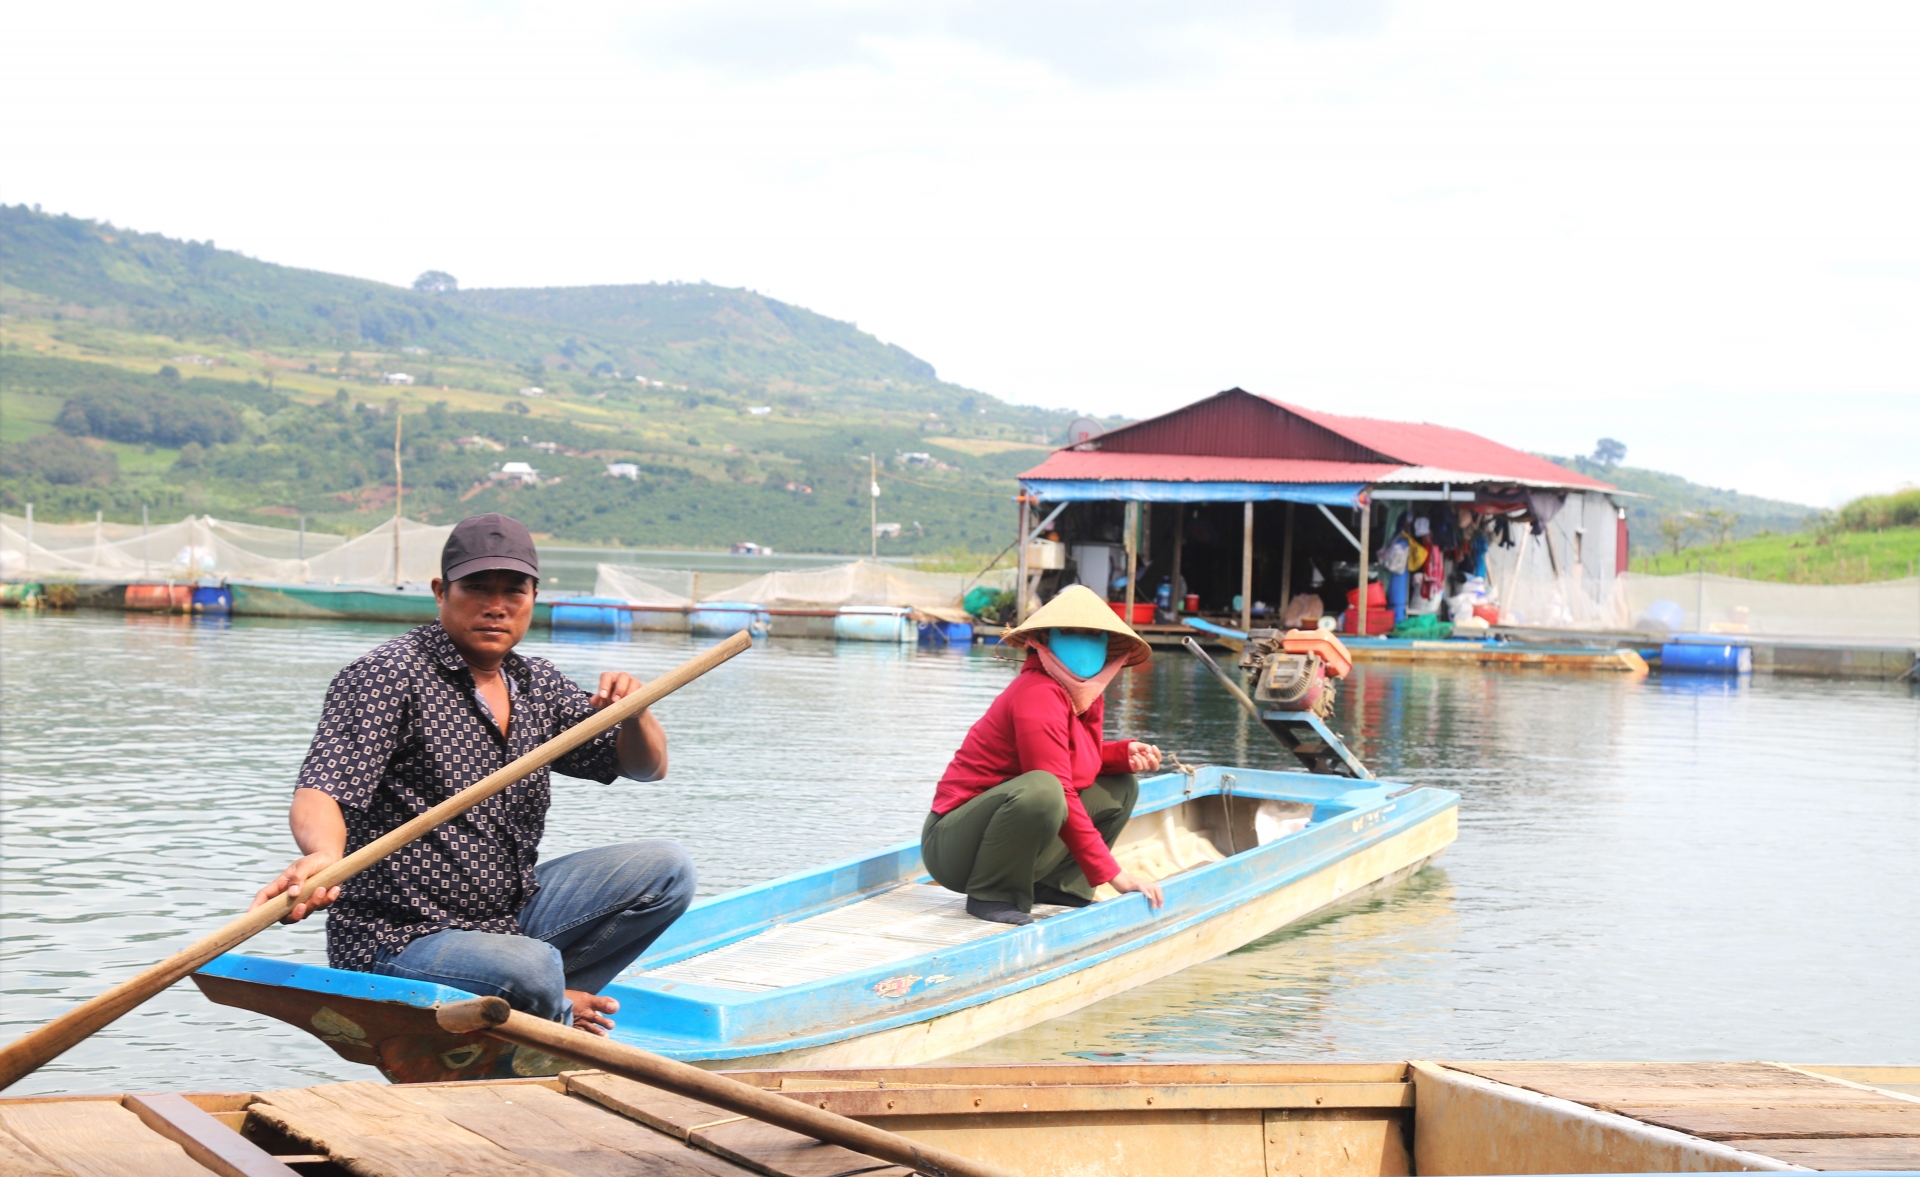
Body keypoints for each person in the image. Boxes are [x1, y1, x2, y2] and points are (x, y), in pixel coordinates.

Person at [250, 513, 693, 1036]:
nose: (496, 606)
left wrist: (636, 712)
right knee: (530, 967)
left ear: (533, 598)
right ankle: (553, 1003)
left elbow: (648, 767)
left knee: (667, 870)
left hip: (508, 918)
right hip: (402, 936)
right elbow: (322, 791)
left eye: (514, 591)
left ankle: (544, 998)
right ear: (441, 592)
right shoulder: (389, 674)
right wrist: (324, 856)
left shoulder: (536, 684)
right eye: (477, 589)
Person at [924, 584, 1166, 926]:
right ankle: (993, 894)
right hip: (952, 846)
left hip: (1005, 832)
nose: (1082, 642)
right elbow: (1057, 782)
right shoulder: (1037, 693)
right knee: (1044, 789)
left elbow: (1071, 759)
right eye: (1069, 632)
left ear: (1106, 644)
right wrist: (1115, 876)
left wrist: (1119, 755)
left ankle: (1059, 885)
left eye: (1092, 633)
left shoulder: (1085, 695)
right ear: (1046, 639)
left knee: (1121, 786)